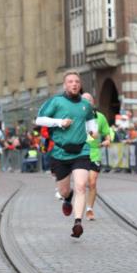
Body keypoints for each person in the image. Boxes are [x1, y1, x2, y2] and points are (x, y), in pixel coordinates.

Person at [34, 72, 98, 238]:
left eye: (77, 81)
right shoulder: (56, 101)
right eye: (70, 82)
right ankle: (67, 198)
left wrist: (93, 132)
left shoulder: (86, 104)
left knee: (81, 186)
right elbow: (39, 120)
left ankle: (78, 222)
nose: (74, 84)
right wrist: (59, 122)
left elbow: (91, 122)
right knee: (64, 190)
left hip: (81, 151)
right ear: (65, 85)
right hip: (61, 152)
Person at [81, 92, 114, 221]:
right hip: (79, 152)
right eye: (84, 100)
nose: (87, 102)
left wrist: (108, 140)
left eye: (89, 100)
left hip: (94, 152)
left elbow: (107, 133)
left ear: (93, 102)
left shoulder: (100, 117)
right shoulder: (77, 117)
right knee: (81, 184)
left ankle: (89, 209)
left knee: (92, 182)